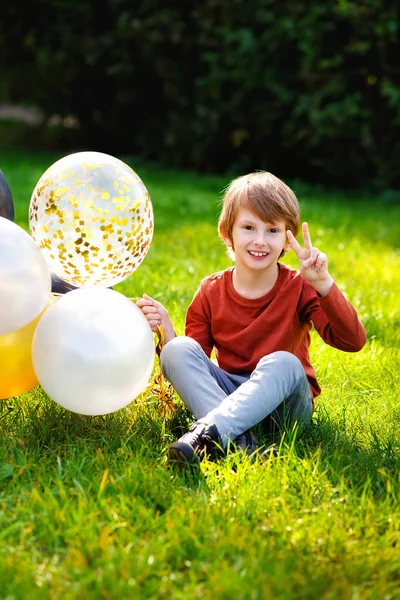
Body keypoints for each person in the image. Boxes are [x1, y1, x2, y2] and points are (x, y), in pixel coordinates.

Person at [136, 171, 366, 468]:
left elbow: (353, 341)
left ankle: (209, 431)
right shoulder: (210, 291)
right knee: (178, 349)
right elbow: (194, 366)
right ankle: (243, 444)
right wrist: (168, 335)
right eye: (248, 227)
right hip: (231, 392)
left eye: (272, 230)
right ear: (227, 233)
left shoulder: (301, 287)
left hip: (285, 408)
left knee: (282, 362)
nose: (260, 240)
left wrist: (323, 284)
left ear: (287, 240)